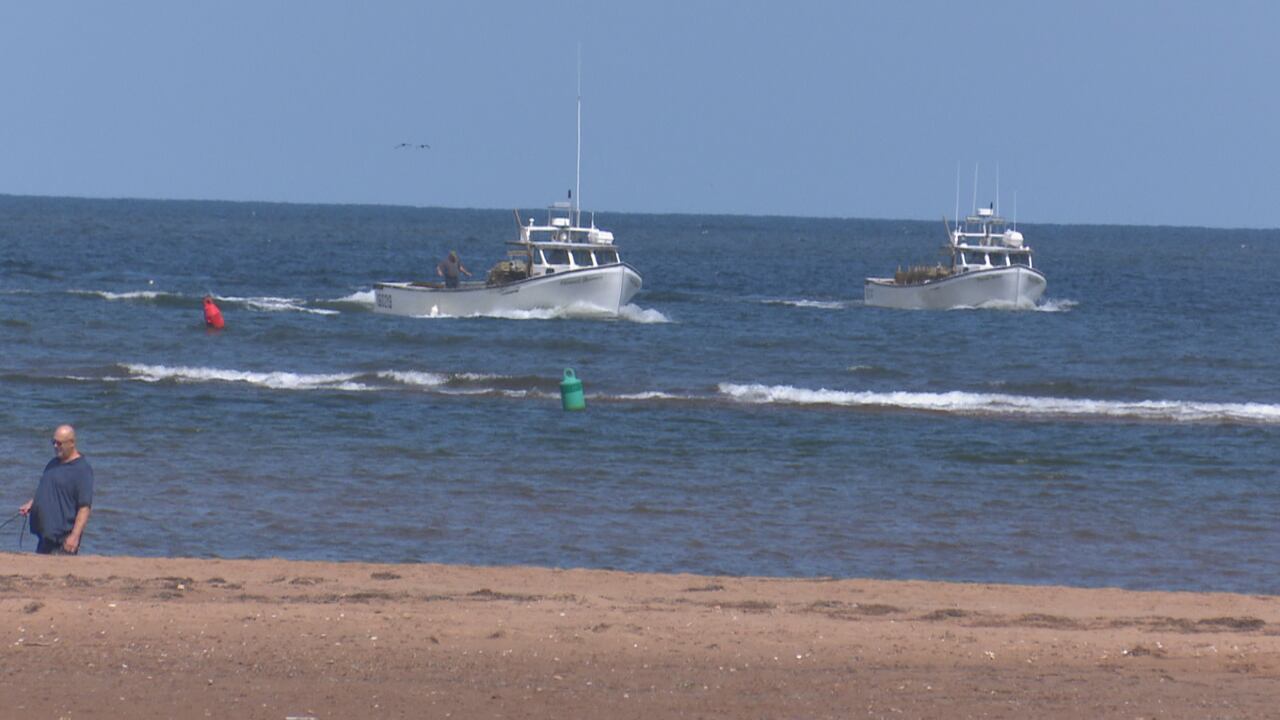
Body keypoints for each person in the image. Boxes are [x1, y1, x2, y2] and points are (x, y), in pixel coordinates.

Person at [18, 425, 94, 555]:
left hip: (62, 540)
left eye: (59, 443)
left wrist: (74, 536)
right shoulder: (53, 463)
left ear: (71, 443)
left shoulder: (82, 470)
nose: (55, 446)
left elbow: (84, 507)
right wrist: (31, 503)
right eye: (53, 442)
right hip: (45, 536)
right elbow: (46, 489)